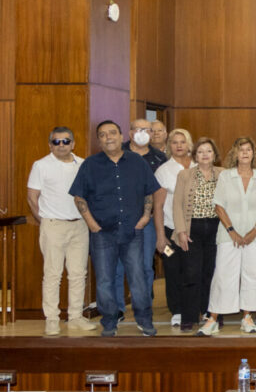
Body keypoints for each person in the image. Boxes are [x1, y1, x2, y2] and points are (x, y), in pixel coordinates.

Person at [70, 121, 162, 337]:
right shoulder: (90, 165)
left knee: (138, 277)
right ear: (99, 140)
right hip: (102, 233)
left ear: (122, 136)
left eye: (112, 133)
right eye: (102, 135)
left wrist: (145, 216)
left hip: (133, 231)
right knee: (104, 279)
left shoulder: (137, 162)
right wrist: (92, 224)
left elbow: (149, 191)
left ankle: (144, 319)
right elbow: (79, 196)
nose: (108, 137)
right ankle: (110, 321)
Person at [198, 137, 256, 336]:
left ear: (254, 153)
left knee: (253, 275)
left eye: (249, 149)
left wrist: (252, 232)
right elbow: (219, 205)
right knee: (223, 275)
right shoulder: (226, 176)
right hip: (228, 235)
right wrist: (232, 231)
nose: (245, 153)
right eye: (241, 150)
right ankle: (212, 318)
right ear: (235, 154)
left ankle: (247, 317)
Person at [26, 127, 95, 335]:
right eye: (57, 142)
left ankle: (75, 317)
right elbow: (32, 198)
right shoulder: (41, 165)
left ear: (73, 144)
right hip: (53, 225)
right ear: (50, 145)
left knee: (78, 274)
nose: (62, 145)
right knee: (53, 274)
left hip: (80, 225)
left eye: (66, 141)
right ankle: (52, 319)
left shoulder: (83, 164)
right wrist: (46, 220)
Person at [171, 137, 222, 332]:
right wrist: (181, 231)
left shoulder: (223, 174)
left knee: (213, 273)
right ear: (195, 156)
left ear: (214, 154)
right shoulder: (185, 175)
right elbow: (177, 204)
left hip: (217, 228)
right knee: (191, 273)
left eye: (208, 151)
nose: (205, 155)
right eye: (200, 152)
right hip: (192, 229)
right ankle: (190, 316)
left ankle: (212, 314)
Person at [119, 118, 167, 319]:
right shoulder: (117, 153)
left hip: (148, 221)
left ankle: (144, 307)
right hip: (120, 220)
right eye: (139, 129)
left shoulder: (160, 158)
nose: (144, 133)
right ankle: (117, 309)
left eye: (148, 130)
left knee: (146, 265)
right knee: (118, 267)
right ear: (130, 133)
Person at [153, 128, 194, 328]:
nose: (179, 145)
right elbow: (158, 206)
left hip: (194, 231)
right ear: (169, 146)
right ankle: (177, 310)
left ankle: (193, 308)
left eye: (183, 141)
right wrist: (160, 236)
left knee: (193, 270)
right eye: (175, 142)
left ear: (189, 145)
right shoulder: (163, 171)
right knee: (173, 269)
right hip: (170, 231)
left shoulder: (198, 166)